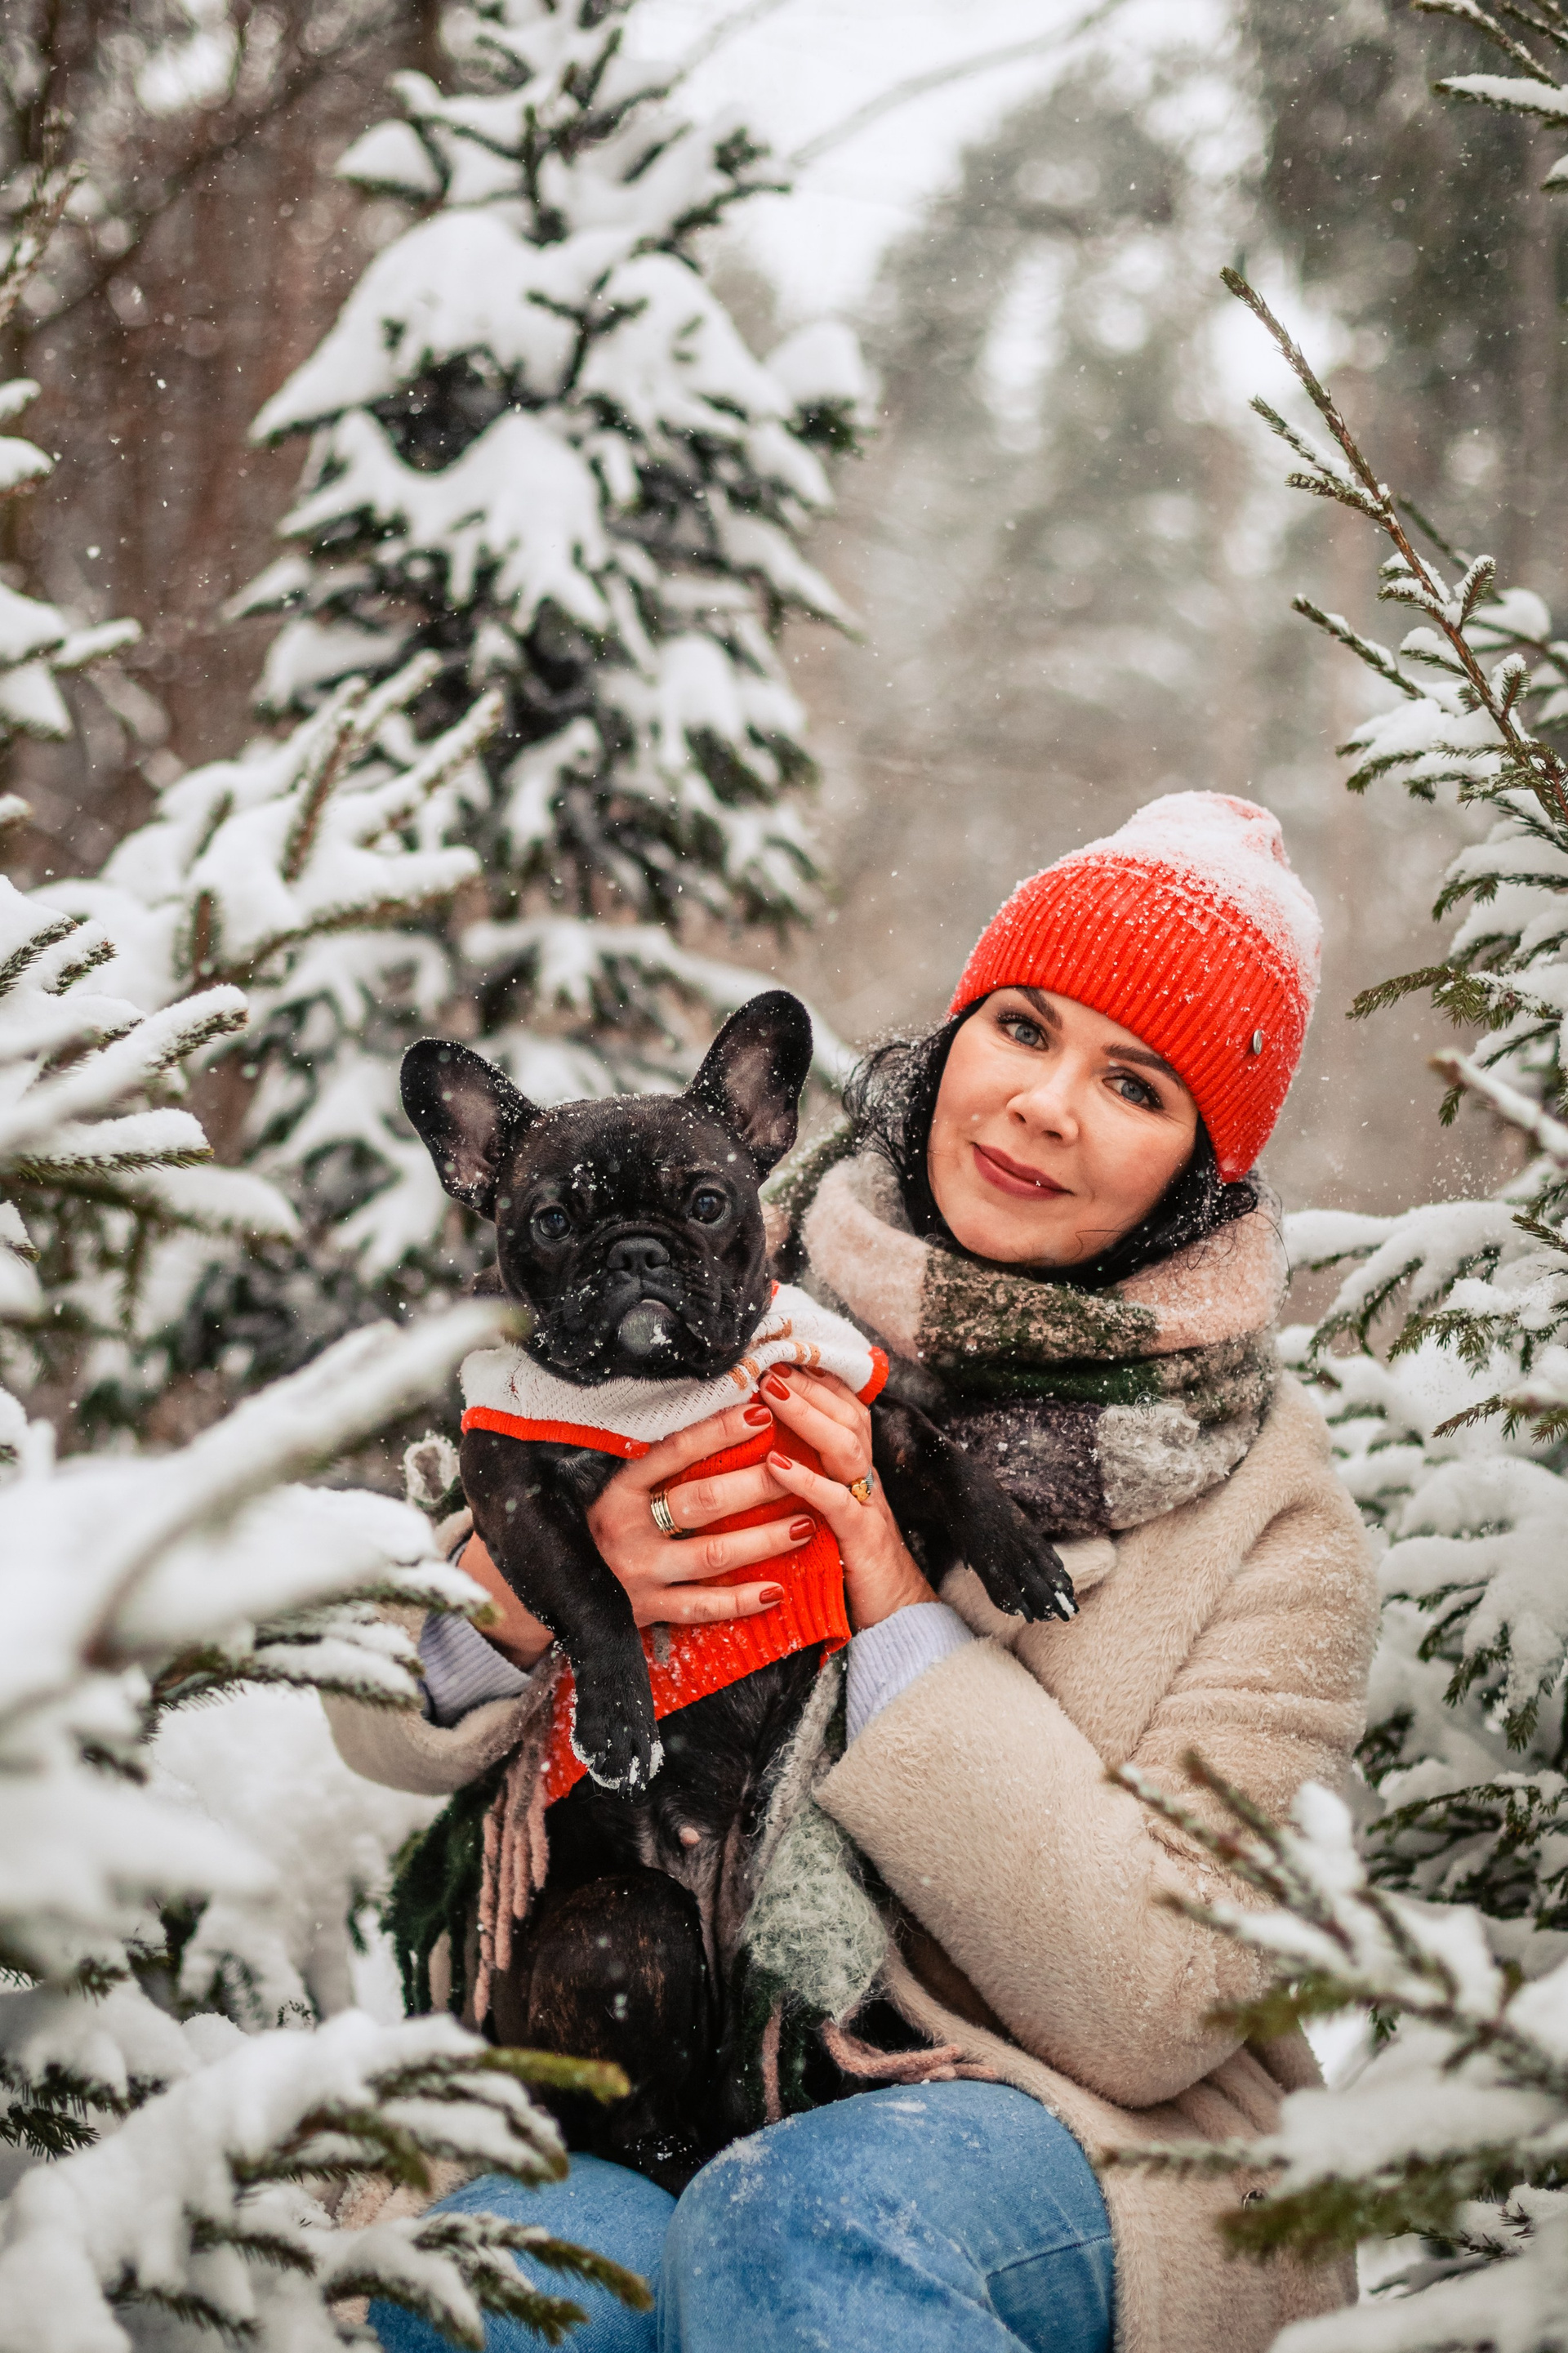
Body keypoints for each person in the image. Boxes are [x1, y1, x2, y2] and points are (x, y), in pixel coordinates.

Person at [331, 792, 1376, 2353]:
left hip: (1060, 2123)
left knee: (800, 2226)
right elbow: (369, 1706)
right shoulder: (726, 1268)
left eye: (1134, 1083)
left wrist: (892, 1599)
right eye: (1022, 1026)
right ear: (950, 1043)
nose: (1044, 1106)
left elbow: (1158, 1998)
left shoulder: (1273, 1516)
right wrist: (547, 1586)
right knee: (512, 2288)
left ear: (1200, 1169)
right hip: (633, 2053)